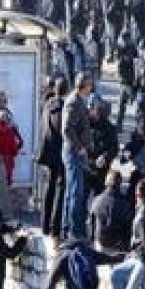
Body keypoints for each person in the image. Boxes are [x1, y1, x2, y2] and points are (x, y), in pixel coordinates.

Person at [61, 74, 93, 240]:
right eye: (89, 85)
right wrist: (80, 147)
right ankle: (73, 232)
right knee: (75, 193)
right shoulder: (74, 102)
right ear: (83, 86)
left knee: (71, 192)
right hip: (74, 153)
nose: (91, 88)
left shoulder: (78, 101)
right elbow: (67, 129)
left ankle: (67, 228)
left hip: (75, 152)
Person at [37, 80, 67, 238]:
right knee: (59, 189)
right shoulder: (62, 108)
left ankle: (44, 225)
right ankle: (54, 227)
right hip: (58, 154)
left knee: (49, 189)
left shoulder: (48, 104)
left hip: (47, 153)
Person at [88, 170, 133, 256]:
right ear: (119, 184)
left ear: (106, 183)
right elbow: (128, 229)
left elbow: (91, 223)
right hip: (117, 244)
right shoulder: (126, 203)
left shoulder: (97, 200)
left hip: (100, 241)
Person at [0, 110, 22, 186]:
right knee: (5, 187)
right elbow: (14, 149)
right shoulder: (9, 132)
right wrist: (16, 151)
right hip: (7, 162)